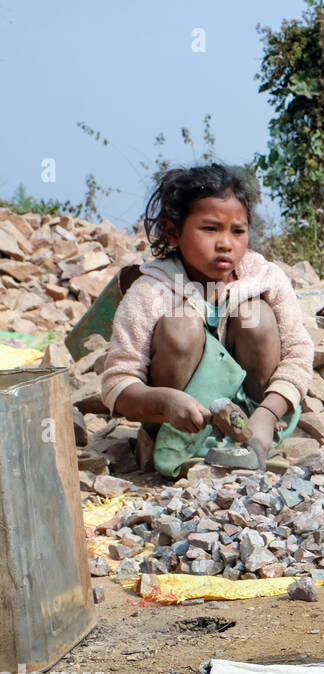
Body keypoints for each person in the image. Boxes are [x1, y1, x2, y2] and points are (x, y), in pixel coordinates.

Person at [99, 164, 312, 475]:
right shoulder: (151, 290)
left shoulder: (265, 278)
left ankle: (256, 440)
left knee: (256, 316)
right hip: (178, 425)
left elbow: (299, 354)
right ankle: (180, 446)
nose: (225, 243)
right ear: (173, 232)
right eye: (210, 229)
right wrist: (164, 402)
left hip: (259, 418)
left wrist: (268, 414)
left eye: (237, 231)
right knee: (182, 323)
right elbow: (117, 383)